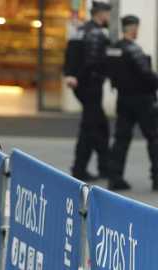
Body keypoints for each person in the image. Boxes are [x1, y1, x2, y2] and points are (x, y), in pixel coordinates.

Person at [106, 15, 158, 190]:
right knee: (154, 137)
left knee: (121, 139)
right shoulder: (134, 50)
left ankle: (115, 177)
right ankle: (157, 178)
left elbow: (110, 73)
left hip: (123, 99)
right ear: (133, 28)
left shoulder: (114, 49)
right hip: (143, 100)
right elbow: (147, 75)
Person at [64, 1, 112, 182]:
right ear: (100, 14)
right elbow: (93, 61)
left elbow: (70, 52)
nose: (108, 17)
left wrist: (69, 74)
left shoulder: (81, 30)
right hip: (91, 85)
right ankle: (79, 169)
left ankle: (104, 166)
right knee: (90, 127)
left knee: (100, 126)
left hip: (82, 85)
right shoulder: (96, 33)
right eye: (107, 14)